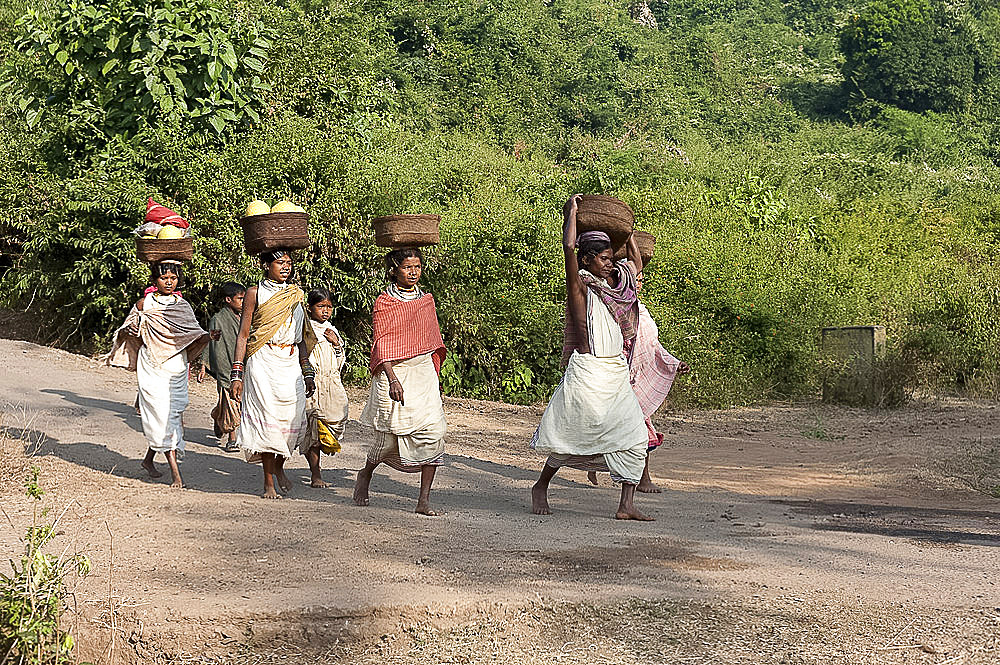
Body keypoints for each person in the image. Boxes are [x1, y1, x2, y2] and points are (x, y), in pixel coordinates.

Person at [530, 194, 652, 520]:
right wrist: (570, 212)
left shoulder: (618, 288)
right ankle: (541, 486)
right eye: (603, 258)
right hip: (586, 371)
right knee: (570, 435)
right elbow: (568, 249)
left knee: (635, 436)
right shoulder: (580, 288)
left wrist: (627, 236)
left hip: (614, 371)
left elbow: (636, 266)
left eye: (612, 258)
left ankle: (626, 505)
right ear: (586, 261)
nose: (610, 264)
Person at [355, 247, 447, 516]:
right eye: (408, 267)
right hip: (393, 372)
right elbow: (381, 343)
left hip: (422, 373)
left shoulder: (426, 301)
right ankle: (365, 474)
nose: (413, 272)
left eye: (417, 266)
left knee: (435, 432)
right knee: (387, 440)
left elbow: (431, 340)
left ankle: (423, 500)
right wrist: (393, 379)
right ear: (394, 268)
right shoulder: (385, 302)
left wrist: (434, 375)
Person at [103, 261, 211, 488]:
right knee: (161, 415)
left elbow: (193, 334)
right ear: (154, 281)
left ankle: (148, 461)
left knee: (170, 414)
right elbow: (125, 330)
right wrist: (131, 330)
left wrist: (209, 337)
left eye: (173, 278)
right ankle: (176, 474)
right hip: (151, 364)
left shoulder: (182, 306)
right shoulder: (144, 304)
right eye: (164, 278)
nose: (169, 282)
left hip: (176, 366)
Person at [588, 271, 691, 492]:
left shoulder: (640, 310)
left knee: (639, 428)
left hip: (635, 379)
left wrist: (673, 363)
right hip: (614, 376)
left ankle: (638, 481)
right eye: (634, 278)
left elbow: (651, 345)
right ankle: (627, 479)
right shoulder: (611, 306)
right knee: (617, 427)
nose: (639, 283)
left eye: (640, 278)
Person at [229, 250, 317, 499]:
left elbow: (301, 337)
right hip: (263, 360)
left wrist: (307, 370)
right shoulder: (255, 292)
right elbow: (244, 334)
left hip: (289, 363)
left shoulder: (296, 295)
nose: (286, 267)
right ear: (266, 265)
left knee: (289, 420)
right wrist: (238, 373)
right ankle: (268, 482)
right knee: (268, 422)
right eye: (280, 262)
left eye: (289, 263)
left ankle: (278, 468)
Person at [300, 287, 350, 488]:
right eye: (320, 306)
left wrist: (336, 343)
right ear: (310, 308)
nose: (325, 311)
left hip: (332, 385)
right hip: (312, 385)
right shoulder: (305, 331)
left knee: (336, 419)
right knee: (313, 429)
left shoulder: (332, 330)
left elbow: (340, 361)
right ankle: (315, 474)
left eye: (329, 307)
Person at [199, 281, 245, 452]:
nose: (243, 302)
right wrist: (205, 364)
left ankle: (217, 415)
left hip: (244, 364)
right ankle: (232, 439)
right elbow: (212, 342)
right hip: (225, 363)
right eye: (240, 299)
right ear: (228, 299)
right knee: (231, 398)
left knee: (237, 400)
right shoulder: (218, 319)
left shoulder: (248, 318)